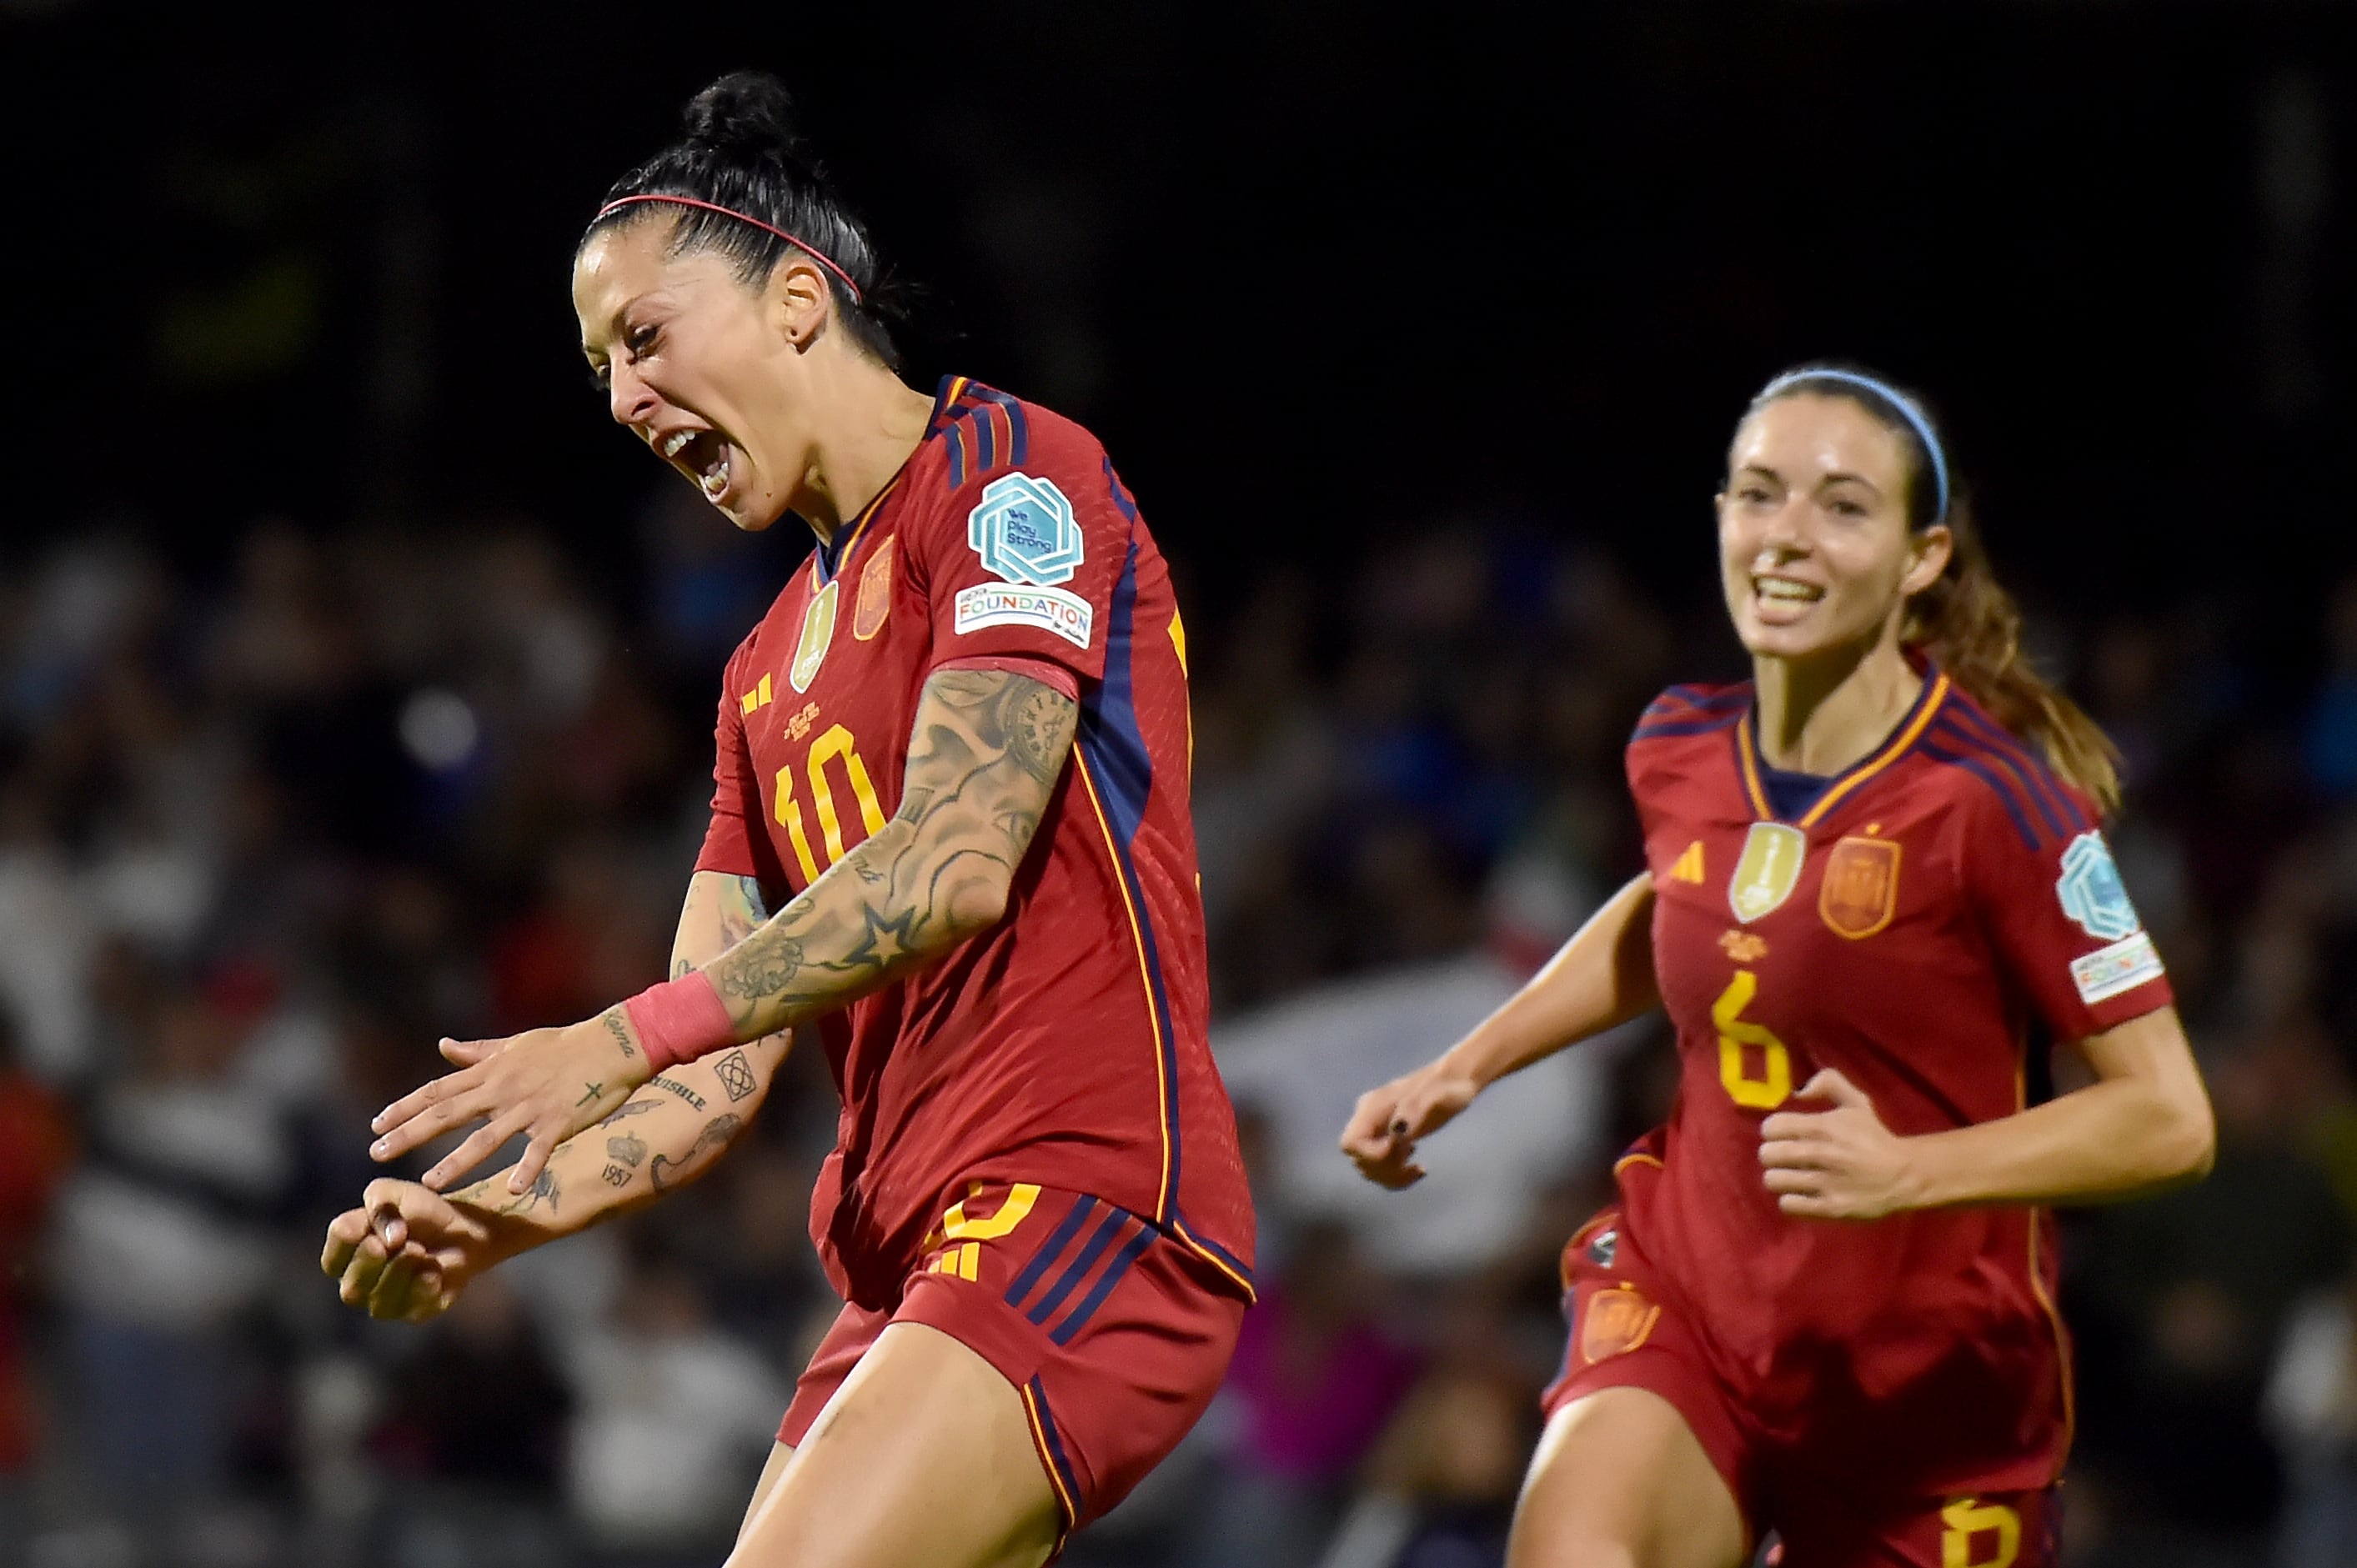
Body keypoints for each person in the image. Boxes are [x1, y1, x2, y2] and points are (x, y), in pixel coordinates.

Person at [320, 71, 1254, 1568]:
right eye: (601, 370)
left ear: (801, 300)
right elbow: (717, 1074)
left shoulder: (1013, 479)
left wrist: (617, 1034)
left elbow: (954, 859)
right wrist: (502, 1219)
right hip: (902, 1266)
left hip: (1077, 1195)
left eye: (644, 338)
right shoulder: (763, 673)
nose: (623, 399)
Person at [1341, 363, 2216, 1568]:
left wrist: (1907, 1171)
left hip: (1926, 1398)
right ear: (1720, 519)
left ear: (1921, 559)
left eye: (1843, 505)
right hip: (1694, 1301)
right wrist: (1466, 1065)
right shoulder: (1678, 740)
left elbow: (2171, 1118)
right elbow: (1677, 906)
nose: (1787, 534)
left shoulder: (2001, 806)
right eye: (1760, 494)